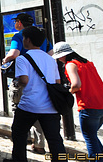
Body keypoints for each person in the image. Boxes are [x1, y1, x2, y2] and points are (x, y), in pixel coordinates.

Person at [4, 26, 65, 162]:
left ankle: (19, 160)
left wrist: (17, 82)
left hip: (30, 105)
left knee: (19, 133)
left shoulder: (23, 59)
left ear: (28, 40)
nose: (24, 40)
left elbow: (24, 80)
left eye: (24, 38)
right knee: (54, 139)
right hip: (50, 106)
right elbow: (57, 81)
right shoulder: (50, 59)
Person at [52, 41, 103, 159]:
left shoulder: (70, 65)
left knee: (90, 138)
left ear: (62, 55)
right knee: (92, 136)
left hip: (89, 106)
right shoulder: (87, 62)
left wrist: (68, 92)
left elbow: (76, 84)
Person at [2, 13, 51, 154]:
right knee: (40, 113)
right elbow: (51, 53)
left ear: (19, 23)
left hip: (25, 80)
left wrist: (5, 61)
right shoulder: (42, 37)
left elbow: (14, 54)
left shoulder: (19, 36)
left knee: (20, 111)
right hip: (42, 82)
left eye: (16, 21)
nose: (16, 24)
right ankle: (39, 145)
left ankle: (25, 141)